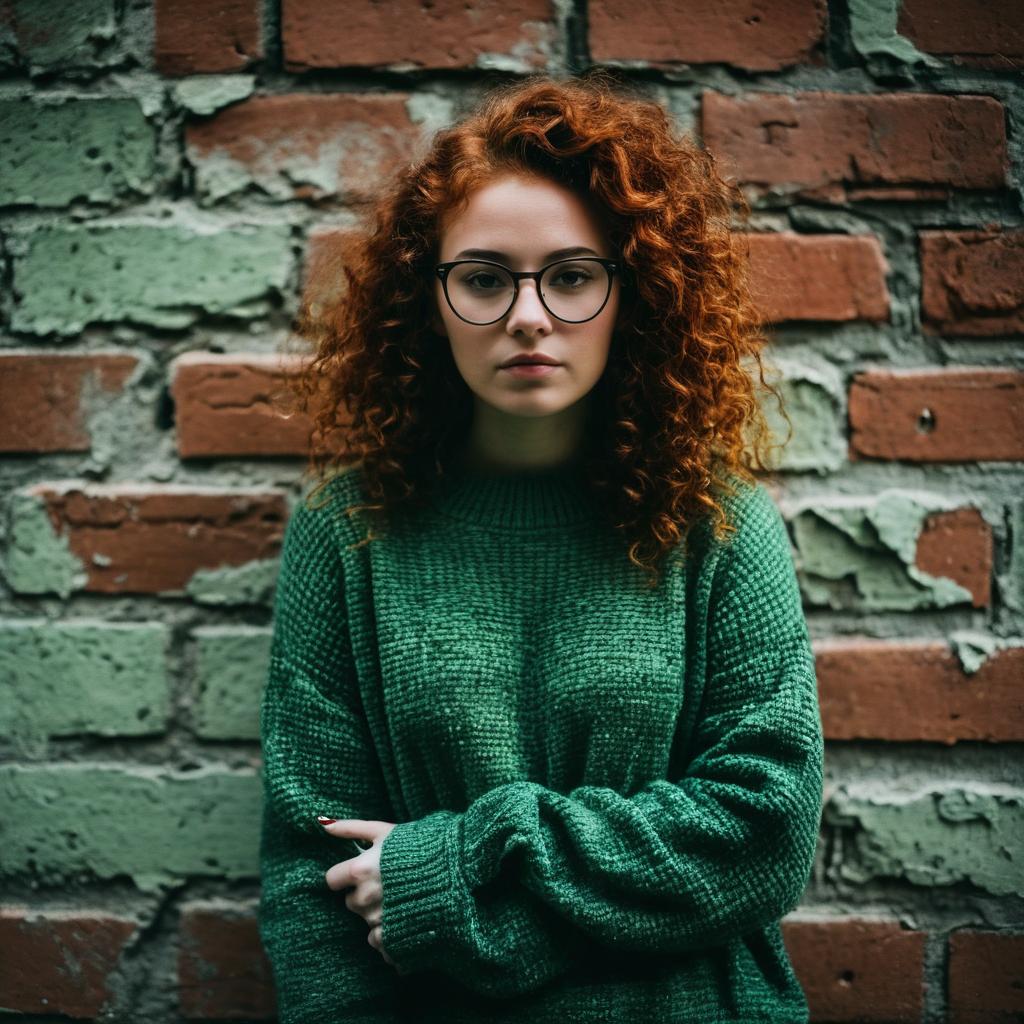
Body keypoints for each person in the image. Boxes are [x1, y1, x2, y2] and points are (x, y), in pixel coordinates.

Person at [258, 69, 825, 1023]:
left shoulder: (715, 522)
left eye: (570, 276)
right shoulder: (349, 530)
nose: (528, 315)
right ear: (428, 300)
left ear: (631, 292)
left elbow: (763, 834)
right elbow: (311, 874)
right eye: (484, 278)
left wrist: (461, 863)